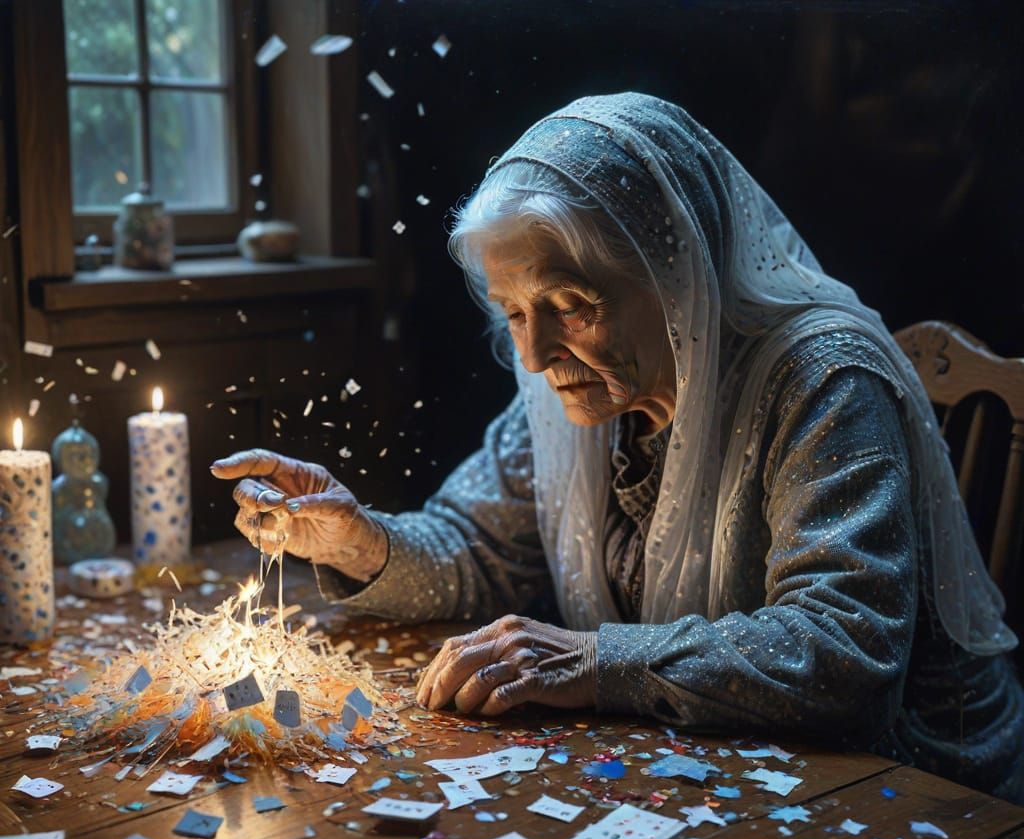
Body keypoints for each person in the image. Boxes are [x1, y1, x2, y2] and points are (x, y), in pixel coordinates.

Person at [212, 93, 1023, 801]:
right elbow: (476, 546)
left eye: (570, 303)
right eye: (513, 313)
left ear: (678, 277)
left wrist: (597, 662)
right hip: (725, 765)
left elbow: (844, 654)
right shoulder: (584, 383)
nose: (536, 355)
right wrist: (358, 541)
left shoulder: (822, 382)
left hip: (917, 796)